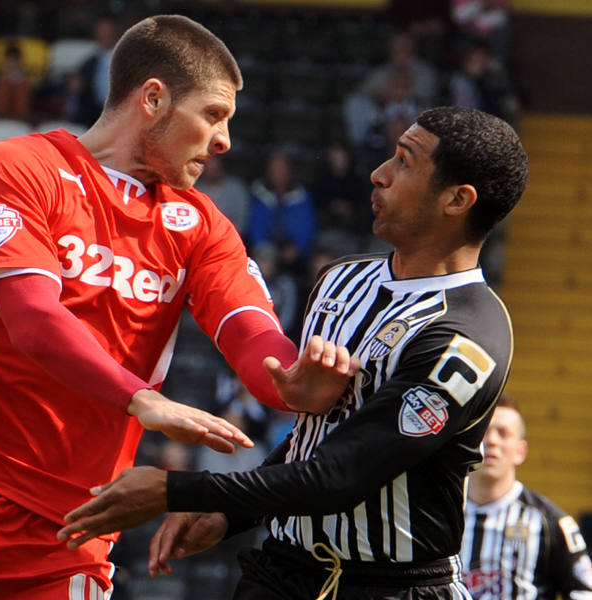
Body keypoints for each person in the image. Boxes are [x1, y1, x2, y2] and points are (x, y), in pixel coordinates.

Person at [0, 15, 355, 600]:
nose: (224, 141)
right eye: (214, 114)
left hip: (70, 538)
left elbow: (251, 334)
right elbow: (33, 318)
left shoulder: (203, 226)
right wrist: (140, 398)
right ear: (153, 98)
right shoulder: (20, 166)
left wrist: (295, 381)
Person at [56, 106, 531, 600]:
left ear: (457, 200)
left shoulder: (468, 336)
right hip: (280, 570)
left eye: (404, 161)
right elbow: (315, 438)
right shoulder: (340, 280)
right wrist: (233, 513)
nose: (379, 173)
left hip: (391, 588)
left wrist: (173, 490)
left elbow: (345, 472)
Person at [461, 394, 592, 600]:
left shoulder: (550, 522)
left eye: (503, 433)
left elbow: (584, 592)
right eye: (483, 431)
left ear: (520, 451)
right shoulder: (439, 516)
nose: (491, 440)